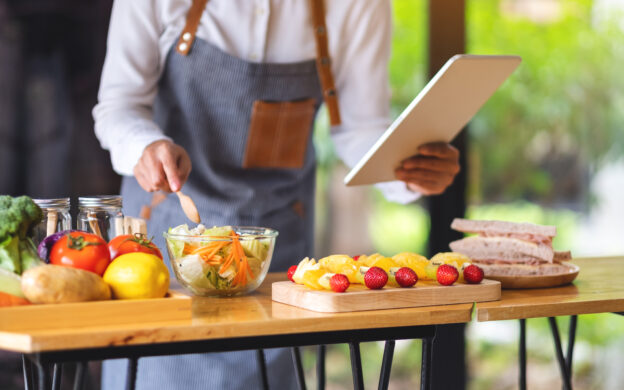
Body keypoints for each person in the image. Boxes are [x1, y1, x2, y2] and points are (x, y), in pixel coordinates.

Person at [93, 0, 460, 388]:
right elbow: (119, 106)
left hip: (275, 262)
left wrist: (406, 171)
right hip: (167, 249)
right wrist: (145, 146)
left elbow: (359, 127)